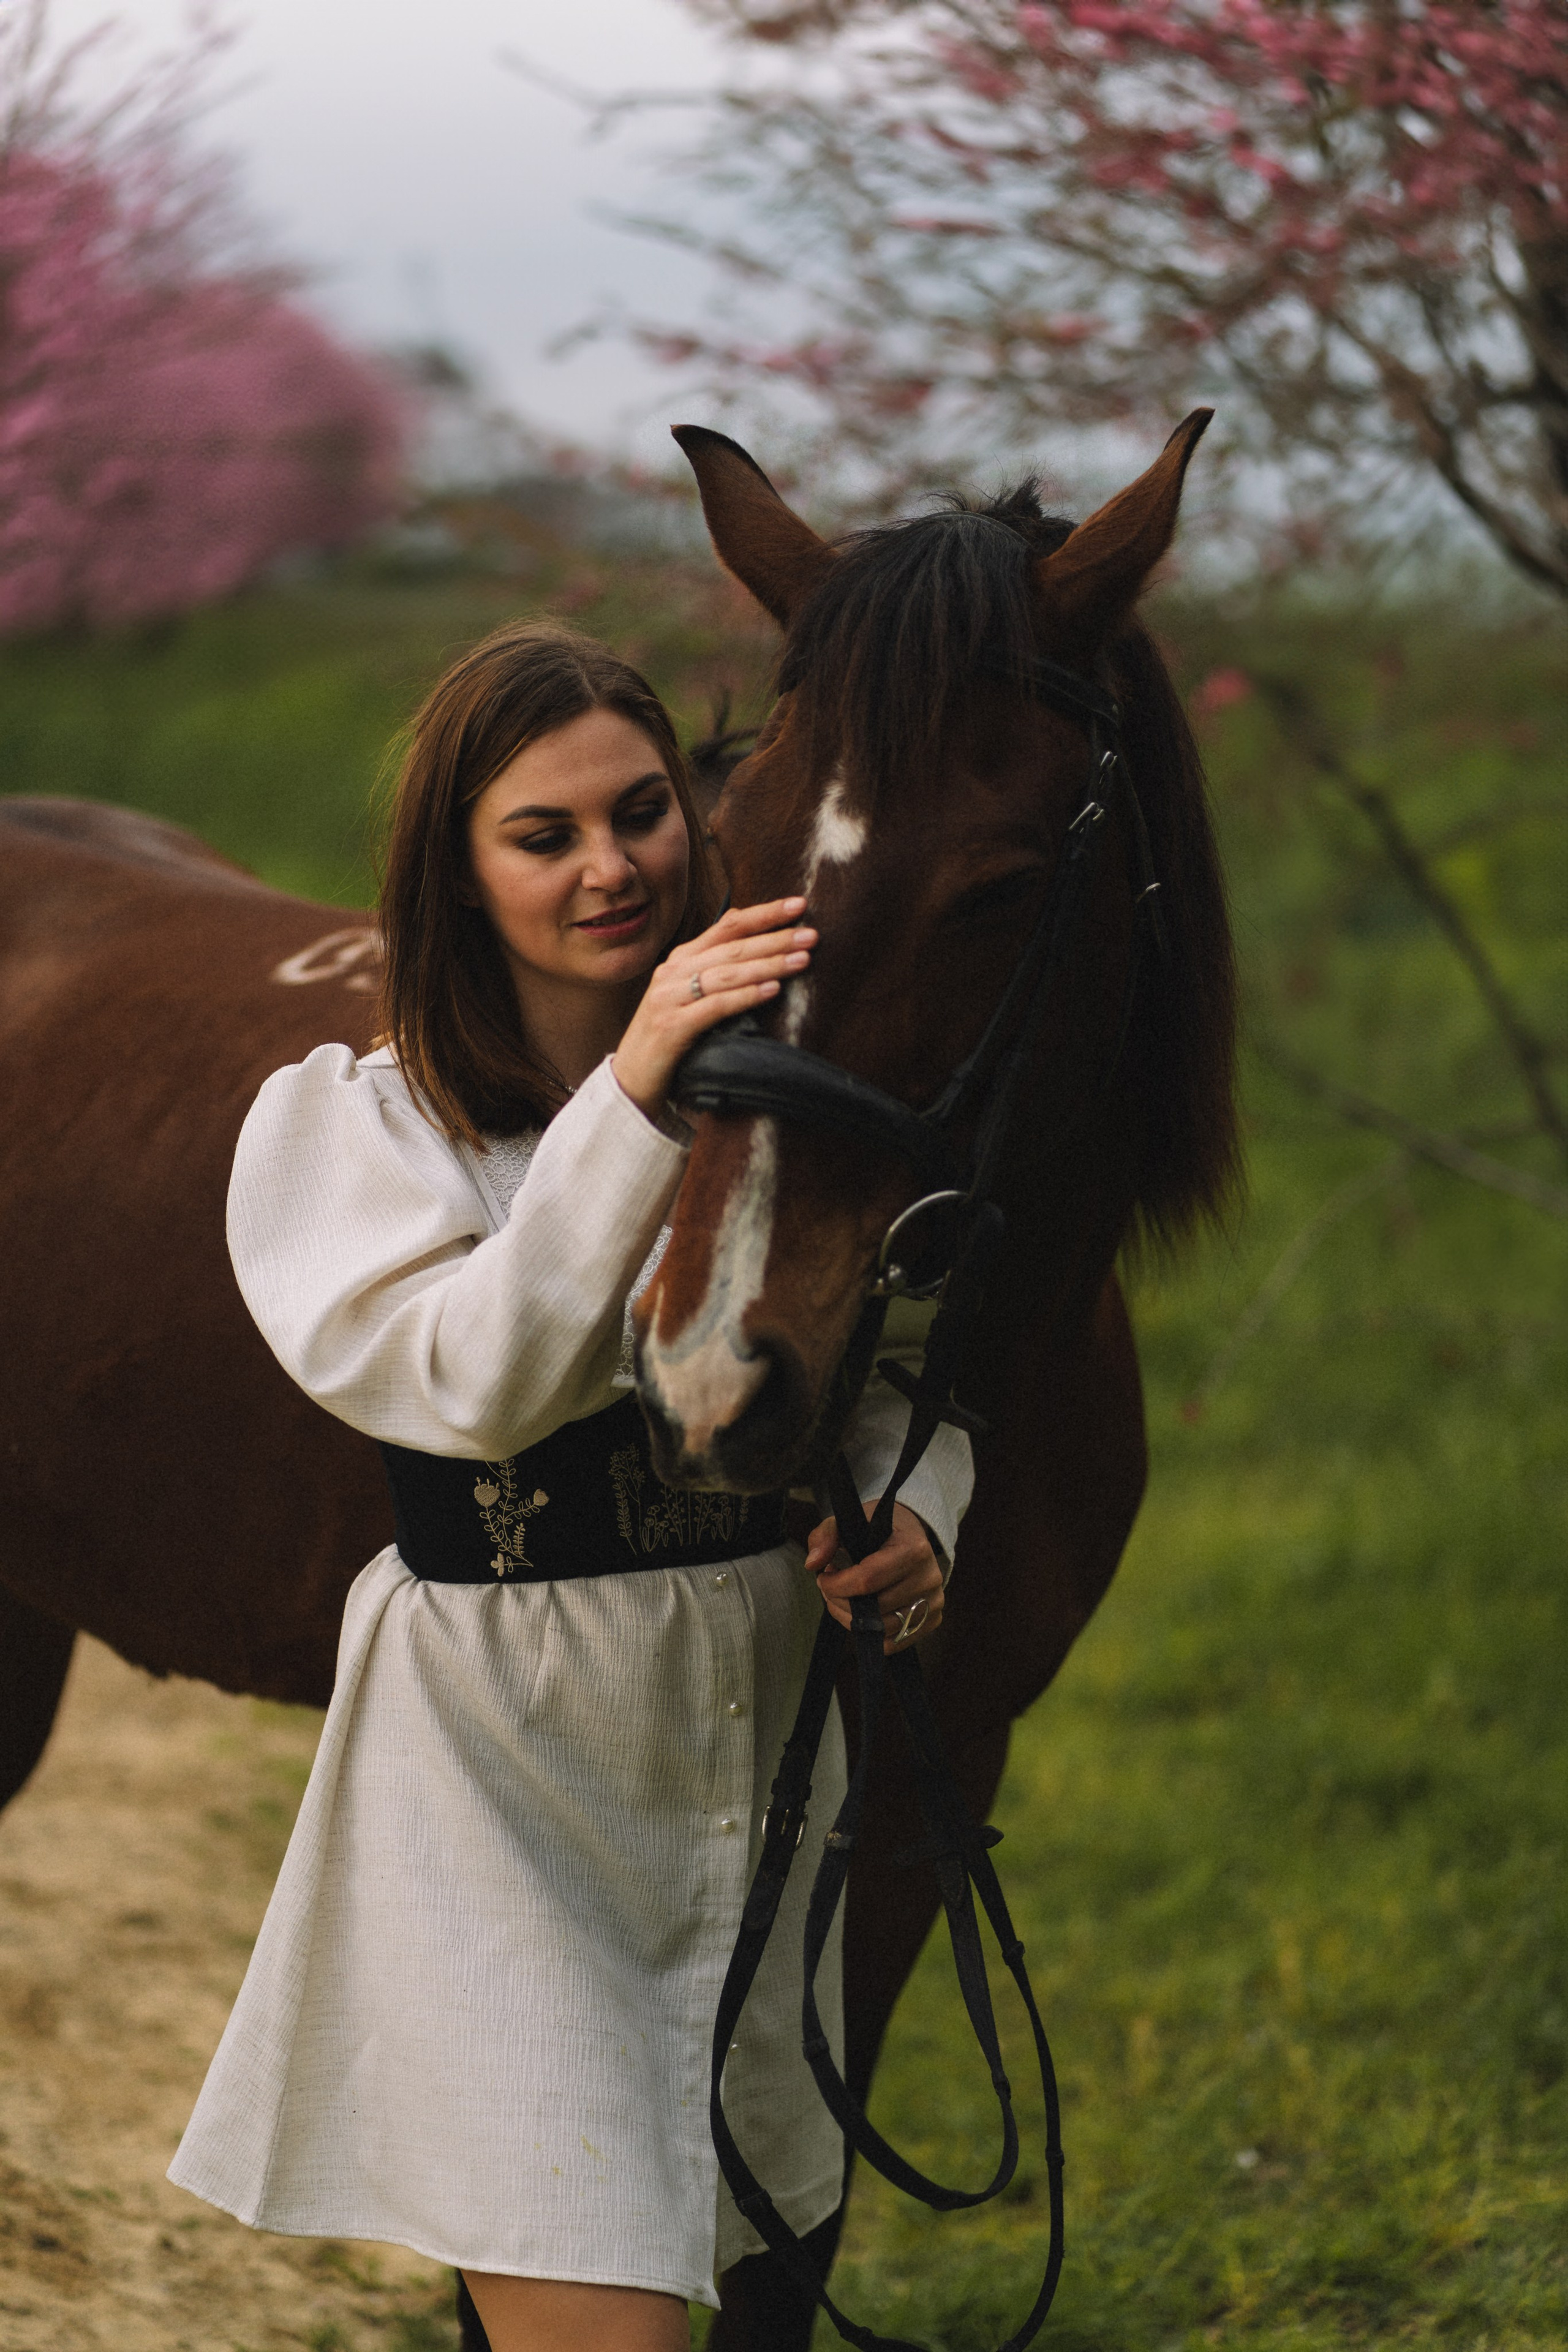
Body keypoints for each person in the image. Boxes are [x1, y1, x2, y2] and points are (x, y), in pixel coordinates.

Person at [168, 622, 973, 2352]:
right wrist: (637, 1089)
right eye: (544, 836)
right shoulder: (361, 1132)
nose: (612, 866)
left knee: (746, 2253)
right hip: (500, 1779)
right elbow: (477, 1382)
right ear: (458, 879)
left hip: (757, 1747)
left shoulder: (791, 1099)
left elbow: (907, 1373)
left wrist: (925, 1519)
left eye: (643, 812)